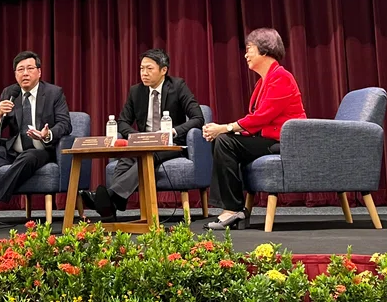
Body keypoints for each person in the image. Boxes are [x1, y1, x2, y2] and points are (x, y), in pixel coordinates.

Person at [80, 49, 204, 220]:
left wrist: (172, 131)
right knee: (125, 158)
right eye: (141, 69)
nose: (144, 73)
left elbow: (198, 118)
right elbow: (122, 121)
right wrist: (136, 136)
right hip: (143, 143)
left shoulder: (178, 86)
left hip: (170, 144)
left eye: (149, 69)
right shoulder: (136, 91)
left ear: (163, 70)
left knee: (147, 156)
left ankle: (112, 198)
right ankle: (112, 204)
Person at [202, 28, 305, 230]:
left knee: (225, 140)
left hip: (283, 141)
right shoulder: (263, 81)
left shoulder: (281, 77)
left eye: (249, 49)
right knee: (223, 140)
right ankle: (229, 208)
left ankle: (233, 210)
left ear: (264, 51)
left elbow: (262, 116)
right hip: (267, 139)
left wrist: (226, 128)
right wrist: (235, 130)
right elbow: (259, 121)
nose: (246, 54)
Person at [0, 51, 72, 223]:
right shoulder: (10, 93)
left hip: (41, 150)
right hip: (14, 150)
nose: (25, 73)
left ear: (39, 72)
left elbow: (65, 124)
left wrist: (48, 134)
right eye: (20, 69)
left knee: (29, 157)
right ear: (15, 74)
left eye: (30, 68)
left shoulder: (54, 93)